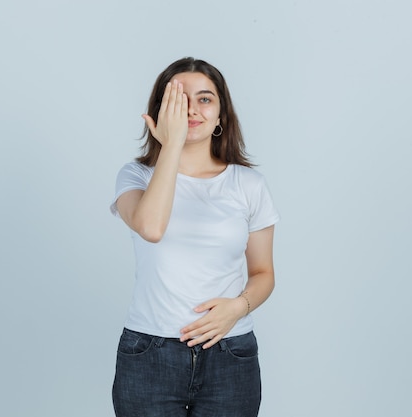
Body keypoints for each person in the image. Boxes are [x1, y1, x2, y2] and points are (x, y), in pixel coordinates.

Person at [110, 57, 280, 417]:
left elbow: (264, 273)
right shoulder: (135, 176)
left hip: (230, 353)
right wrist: (171, 145)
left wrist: (237, 308)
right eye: (179, 98)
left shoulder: (249, 184)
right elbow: (152, 228)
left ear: (221, 115)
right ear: (160, 111)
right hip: (148, 355)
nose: (192, 109)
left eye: (204, 99)